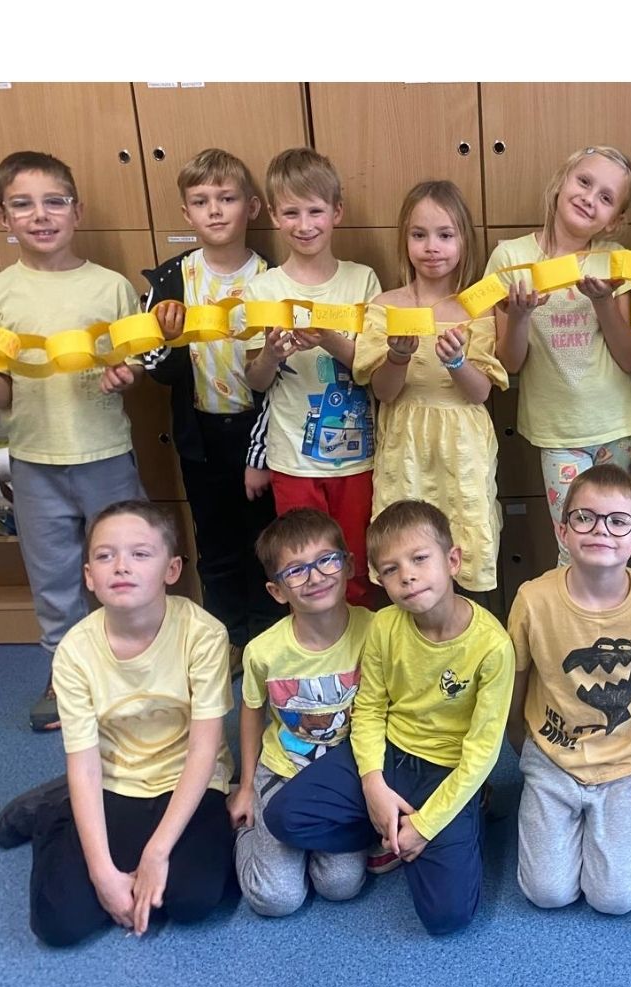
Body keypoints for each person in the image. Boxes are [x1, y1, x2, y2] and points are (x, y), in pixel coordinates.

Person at [0, 150, 146, 731]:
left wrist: (126, 374)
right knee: (53, 578)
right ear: (3, 218)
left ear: (77, 211)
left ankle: (136, 666)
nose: (41, 215)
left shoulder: (111, 288)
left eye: (54, 202)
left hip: (105, 454)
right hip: (34, 461)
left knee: (127, 565)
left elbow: (132, 363)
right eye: (22, 205)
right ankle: (65, 676)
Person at [262, 501, 513, 935]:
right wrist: (373, 784)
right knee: (284, 816)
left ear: (452, 560)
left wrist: (426, 827)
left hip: (447, 771)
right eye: (391, 569)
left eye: (420, 559)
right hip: (389, 754)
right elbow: (370, 708)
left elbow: (483, 752)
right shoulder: (384, 626)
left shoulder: (493, 646)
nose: (408, 576)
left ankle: (448, 822)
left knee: (447, 918)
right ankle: (389, 834)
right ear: (379, 578)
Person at [24, 500, 236, 946]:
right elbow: (84, 764)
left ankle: (147, 846)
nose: (121, 566)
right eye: (105, 556)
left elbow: (204, 750)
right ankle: (51, 812)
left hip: (187, 779)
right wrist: (103, 873)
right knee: (60, 924)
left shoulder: (203, 634)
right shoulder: (75, 651)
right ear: (89, 576)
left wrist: (157, 852)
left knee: (192, 901)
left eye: (140, 554)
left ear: (171, 569)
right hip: (114, 780)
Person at [507, 463, 631, 914]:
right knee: (547, 893)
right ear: (563, 531)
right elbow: (518, 673)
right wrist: (516, 733)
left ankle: (608, 824)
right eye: (585, 518)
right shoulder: (532, 599)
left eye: (618, 521)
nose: (601, 530)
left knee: (616, 899)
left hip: (626, 762)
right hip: (551, 757)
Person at [140, 148, 280, 651]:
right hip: (200, 436)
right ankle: (229, 639)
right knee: (216, 543)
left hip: (261, 434)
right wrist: (168, 339)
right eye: (201, 202)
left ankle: (269, 637)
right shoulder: (170, 281)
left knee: (267, 541)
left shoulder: (272, 278)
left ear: (253, 208)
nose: (215, 211)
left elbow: (284, 374)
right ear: (186, 213)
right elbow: (158, 372)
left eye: (227, 199)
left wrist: (260, 453)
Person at [242, 147, 383, 606]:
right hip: (292, 461)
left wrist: (330, 339)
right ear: (274, 216)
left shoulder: (362, 281)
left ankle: (361, 644)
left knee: (356, 567)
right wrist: (270, 354)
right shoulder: (263, 289)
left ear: (336, 212)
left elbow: (374, 369)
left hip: (358, 460)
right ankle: (313, 641)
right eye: (291, 213)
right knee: (302, 570)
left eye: (315, 211)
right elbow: (256, 381)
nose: (304, 225)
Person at [486, 146, 631, 543]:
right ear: (561, 182)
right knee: (575, 544)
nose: (589, 198)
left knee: (612, 544)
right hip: (558, 432)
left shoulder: (614, 259)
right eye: (584, 182)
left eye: (606, 197)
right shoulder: (511, 257)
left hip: (616, 425)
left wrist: (603, 302)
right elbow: (510, 363)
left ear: (614, 220)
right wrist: (520, 316)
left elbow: (630, 358)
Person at [356, 180, 507, 598]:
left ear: (464, 240)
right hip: (405, 441)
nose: (431, 247)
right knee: (405, 539)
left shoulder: (476, 306)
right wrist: (397, 357)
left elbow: (480, 393)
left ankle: (468, 624)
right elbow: (384, 392)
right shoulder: (386, 306)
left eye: (445, 235)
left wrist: (456, 361)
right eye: (419, 235)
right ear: (404, 240)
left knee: (465, 534)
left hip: (462, 441)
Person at [229, 508, 375, 917]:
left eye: (326, 560)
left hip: (345, 774)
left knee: (341, 885)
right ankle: (246, 839)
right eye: (295, 570)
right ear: (277, 591)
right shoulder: (263, 651)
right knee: (277, 899)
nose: (314, 577)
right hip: (283, 769)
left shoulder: (377, 630)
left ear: (348, 565)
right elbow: (251, 711)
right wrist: (245, 786)